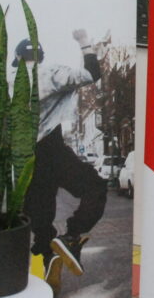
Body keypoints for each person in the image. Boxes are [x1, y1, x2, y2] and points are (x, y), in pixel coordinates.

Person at [18, 29, 109, 290]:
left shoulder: (6, 83)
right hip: (52, 149)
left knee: (40, 217)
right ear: (41, 56)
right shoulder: (50, 72)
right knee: (94, 187)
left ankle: (47, 258)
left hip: (25, 159)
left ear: (17, 59)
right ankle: (71, 237)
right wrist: (84, 42)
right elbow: (91, 74)